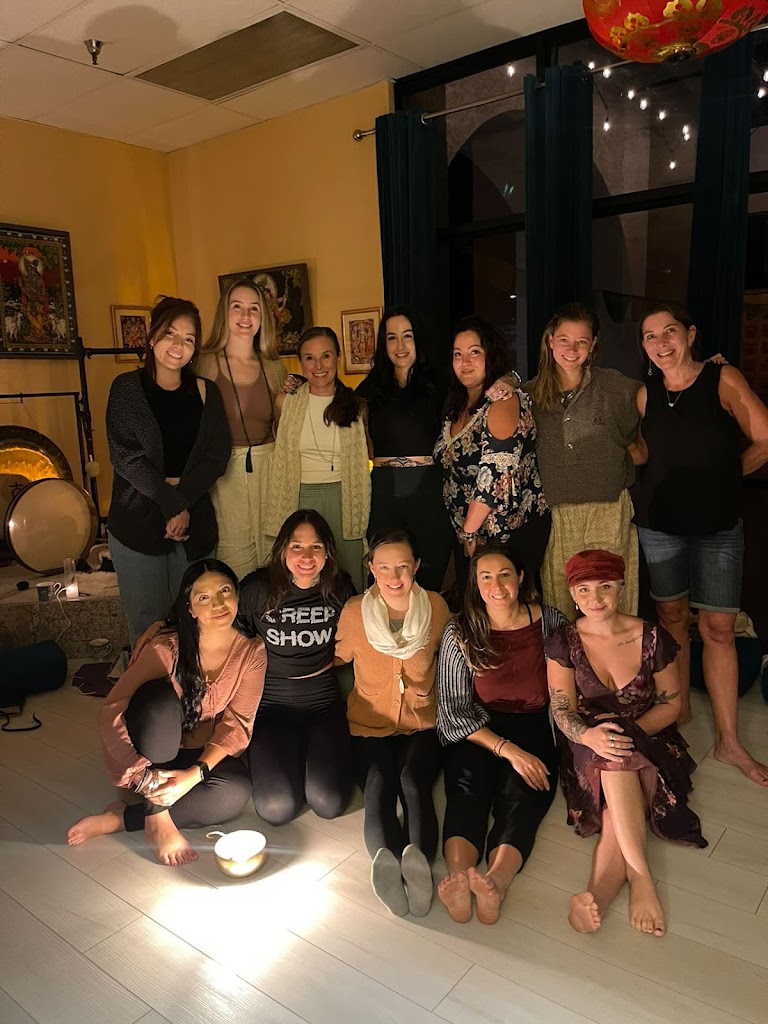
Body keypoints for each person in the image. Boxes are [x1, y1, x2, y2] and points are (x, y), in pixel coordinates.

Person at [634, 302, 768, 786]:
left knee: (718, 629)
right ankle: (681, 710)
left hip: (717, 528)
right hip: (660, 526)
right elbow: (645, 453)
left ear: (690, 334)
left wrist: (724, 480)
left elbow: (764, 439)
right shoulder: (645, 395)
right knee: (671, 618)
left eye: (670, 331)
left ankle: (729, 741)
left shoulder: (721, 379)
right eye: (650, 336)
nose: (661, 342)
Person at [546, 549, 706, 938]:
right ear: (573, 595)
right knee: (614, 759)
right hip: (587, 740)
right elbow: (562, 709)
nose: (595, 598)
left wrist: (626, 734)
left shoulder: (651, 636)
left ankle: (603, 894)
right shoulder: (563, 641)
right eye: (584, 589)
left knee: (617, 787)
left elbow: (672, 705)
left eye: (605, 586)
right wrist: (589, 735)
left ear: (621, 586)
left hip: (649, 733)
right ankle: (640, 879)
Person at [66, 559, 266, 866]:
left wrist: (194, 775)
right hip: (153, 748)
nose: (218, 603)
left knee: (235, 793)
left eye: (225, 591)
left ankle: (122, 818)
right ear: (190, 608)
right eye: (204, 597)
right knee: (160, 702)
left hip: (198, 753)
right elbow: (112, 710)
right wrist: (142, 777)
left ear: (237, 594)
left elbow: (238, 724)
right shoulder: (166, 649)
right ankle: (157, 817)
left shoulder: (252, 652)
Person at [436, 546, 564, 925]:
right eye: (486, 577)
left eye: (505, 574)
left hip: (533, 722)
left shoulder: (550, 621)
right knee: (466, 788)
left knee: (524, 792)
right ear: (475, 585)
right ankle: (459, 878)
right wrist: (506, 749)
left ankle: (496, 881)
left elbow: (566, 688)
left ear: (520, 577)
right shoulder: (460, 631)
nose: (497, 585)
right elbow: (453, 710)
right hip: (479, 727)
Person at [335, 529, 452, 917]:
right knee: (378, 785)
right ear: (371, 568)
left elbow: (455, 656)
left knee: (413, 782)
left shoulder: (435, 607)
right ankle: (388, 868)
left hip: (422, 722)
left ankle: (418, 870)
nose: (394, 576)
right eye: (384, 567)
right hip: (368, 723)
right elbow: (333, 658)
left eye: (402, 566)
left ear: (416, 566)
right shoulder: (355, 612)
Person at [107, 296, 230, 647]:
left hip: (194, 522)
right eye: (170, 334)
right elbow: (126, 458)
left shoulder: (206, 392)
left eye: (188, 339)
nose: (178, 345)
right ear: (152, 337)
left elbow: (217, 456)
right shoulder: (126, 389)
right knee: (147, 626)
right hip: (137, 521)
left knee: (195, 623)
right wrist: (173, 505)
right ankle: (146, 684)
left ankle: (191, 684)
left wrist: (182, 503)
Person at [526, 303, 644, 620]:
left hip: (608, 507)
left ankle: (620, 654)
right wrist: (509, 380)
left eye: (582, 341)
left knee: (612, 601)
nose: (572, 349)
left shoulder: (615, 387)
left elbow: (662, 398)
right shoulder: (530, 394)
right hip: (559, 510)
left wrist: (702, 373)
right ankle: (567, 655)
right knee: (561, 601)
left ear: (593, 346)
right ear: (550, 341)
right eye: (564, 340)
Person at [239, 509, 356, 825]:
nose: (306, 556)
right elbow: (234, 639)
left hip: (323, 704)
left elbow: (355, 641)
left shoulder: (340, 588)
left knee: (328, 803)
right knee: (276, 809)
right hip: (272, 706)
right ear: (282, 549)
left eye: (316, 546)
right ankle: (288, 756)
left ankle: (312, 756)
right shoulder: (257, 588)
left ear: (328, 551)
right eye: (297, 546)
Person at [434, 316, 550, 592]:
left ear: (492, 355)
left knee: (508, 609)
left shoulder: (503, 401)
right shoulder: (457, 405)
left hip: (507, 532)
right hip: (471, 533)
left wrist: (469, 531)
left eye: (475, 352)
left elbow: (494, 476)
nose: (465, 362)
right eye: (458, 354)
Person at [355, 307, 455, 591]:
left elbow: (480, 395)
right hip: (384, 488)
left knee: (430, 573)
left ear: (418, 339)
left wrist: (509, 380)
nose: (400, 345)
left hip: (428, 488)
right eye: (392, 337)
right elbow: (335, 406)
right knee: (386, 573)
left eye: (407, 336)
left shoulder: (440, 384)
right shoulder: (370, 388)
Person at [266, 327, 370, 591]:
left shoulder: (356, 406)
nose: (319, 366)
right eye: (309, 358)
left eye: (326, 356)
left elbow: (368, 453)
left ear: (338, 358)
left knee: (346, 575)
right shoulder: (286, 403)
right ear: (301, 363)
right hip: (298, 497)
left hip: (344, 499)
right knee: (303, 575)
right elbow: (279, 446)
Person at [196, 277, 287, 578]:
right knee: (233, 559)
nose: (245, 316)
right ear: (224, 313)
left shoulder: (274, 367)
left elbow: (284, 429)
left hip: (270, 470)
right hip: (224, 475)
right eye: (237, 307)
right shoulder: (204, 364)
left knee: (273, 556)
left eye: (254, 308)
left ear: (263, 317)